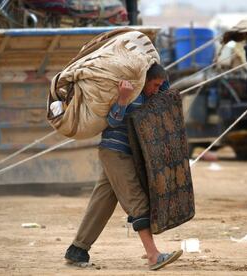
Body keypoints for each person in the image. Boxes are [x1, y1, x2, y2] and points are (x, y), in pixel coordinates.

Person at [64, 63, 183, 270]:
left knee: (101, 203)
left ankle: (77, 250)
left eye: (159, 85)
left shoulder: (151, 94)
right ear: (144, 80)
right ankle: (153, 255)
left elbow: (164, 89)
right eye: (154, 84)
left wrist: (158, 77)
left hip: (126, 154)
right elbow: (112, 121)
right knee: (137, 201)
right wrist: (122, 98)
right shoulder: (131, 93)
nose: (157, 89)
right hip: (115, 151)